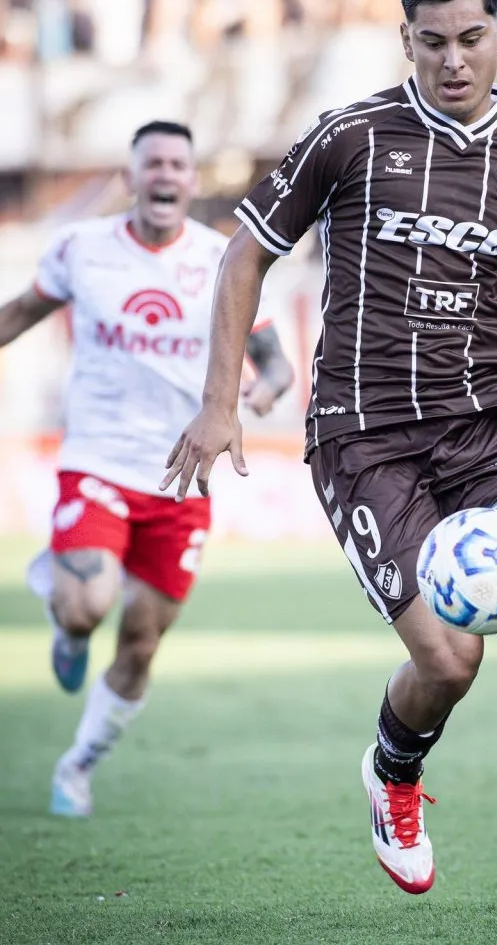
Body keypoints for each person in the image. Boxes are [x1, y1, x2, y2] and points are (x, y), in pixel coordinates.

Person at [162, 0, 497, 930]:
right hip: (367, 439)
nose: (453, 61)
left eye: (472, 38)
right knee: (447, 660)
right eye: (432, 42)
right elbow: (243, 254)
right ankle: (394, 768)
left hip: (492, 438)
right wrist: (220, 401)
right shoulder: (349, 139)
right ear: (406, 40)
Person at [0, 120, 293, 818]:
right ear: (130, 179)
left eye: (177, 165)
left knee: (139, 643)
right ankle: (67, 622)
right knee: (89, 605)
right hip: (97, 460)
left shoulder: (225, 261)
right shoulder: (81, 249)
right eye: (151, 163)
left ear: (193, 181)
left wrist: (263, 390)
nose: (164, 175)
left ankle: (79, 765)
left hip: (181, 476)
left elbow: (277, 362)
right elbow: (20, 313)